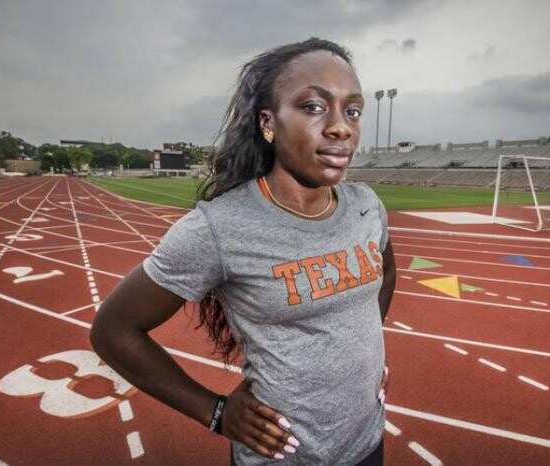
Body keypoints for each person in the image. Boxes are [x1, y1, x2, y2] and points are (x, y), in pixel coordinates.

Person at [90, 37, 397, 465]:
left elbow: (385, 272)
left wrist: (365, 360)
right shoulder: (219, 227)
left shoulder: (366, 205)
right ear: (268, 123)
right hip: (282, 456)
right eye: (313, 106)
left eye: (353, 111)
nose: (341, 127)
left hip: (366, 443)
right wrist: (214, 412)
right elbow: (113, 330)